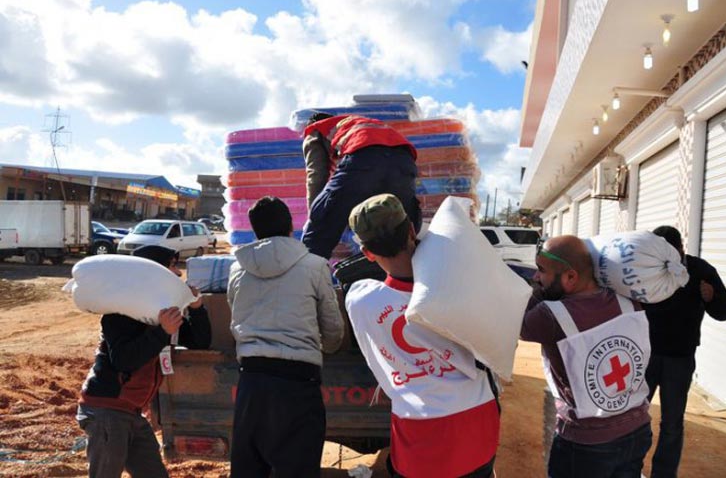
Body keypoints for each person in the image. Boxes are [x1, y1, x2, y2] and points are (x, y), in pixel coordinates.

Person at [345, 193, 500, 478]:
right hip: (477, 421)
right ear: (411, 231)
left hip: (420, 433)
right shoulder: (459, 288)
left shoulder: (360, 300)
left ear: (367, 253)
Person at [227, 196, 344, 478]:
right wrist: (326, 347)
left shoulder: (237, 268)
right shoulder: (315, 266)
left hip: (251, 383)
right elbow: (333, 329)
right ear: (291, 226)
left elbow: (235, 314)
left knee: (248, 469)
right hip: (298, 384)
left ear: (255, 230)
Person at [520, 236, 652, 478]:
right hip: (637, 430)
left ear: (571, 277)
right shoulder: (629, 302)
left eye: (541, 270)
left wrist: (541, 292)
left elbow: (519, 323)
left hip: (586, 444)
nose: (536, 277)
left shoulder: (549, 315)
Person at [77, 245, 211, 478]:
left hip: (132, 413)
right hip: (107, 411)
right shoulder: (118, 316)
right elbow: (123, 360)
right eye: (172, 266)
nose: (178, 273)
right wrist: (162, 332)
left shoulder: (162, 313)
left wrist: (197, 309)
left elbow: (200, 342)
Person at [644, 226, 726, 478]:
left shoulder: (701, 271)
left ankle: (664, 474)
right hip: (645, 356)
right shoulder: (646, 268)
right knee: (634, 418)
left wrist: (712, 297)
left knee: (672, 423)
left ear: (681, 249)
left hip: (679, 359)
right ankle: (629, 468)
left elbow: (725, 311)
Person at [301, 113, 422, 259]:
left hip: (364, 157)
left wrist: (315, 216)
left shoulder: (316, 130)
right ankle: (414, 269)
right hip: (404, 162)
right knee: (400, 230)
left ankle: (308, 269)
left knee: (320, 225)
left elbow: (316, 175)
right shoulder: (355, 123)